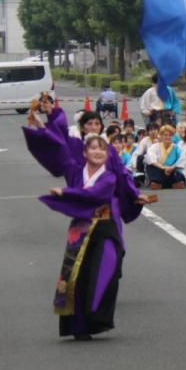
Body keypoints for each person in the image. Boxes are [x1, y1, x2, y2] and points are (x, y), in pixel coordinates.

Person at [23, 107, 152, 339]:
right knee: (76, 277)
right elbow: (60, 148)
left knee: (103, 273)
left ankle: (96, 318)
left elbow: (96, 194)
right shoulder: (74, 171)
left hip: (106, 226)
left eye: (102, 149)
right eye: (93, 148)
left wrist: (65, 193)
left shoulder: (108, 177)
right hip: (80, 228)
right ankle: (78, 326)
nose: (98, 152)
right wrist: (42, 125)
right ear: (84, 153)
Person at [145, 124, 186, 189]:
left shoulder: (176, 148)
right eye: (165, 135)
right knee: (150, 166)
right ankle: (170, 185)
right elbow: (151, 159)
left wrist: (172, 168)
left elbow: (183, 159)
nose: (168, 137)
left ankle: (162, 185)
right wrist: (163, 168)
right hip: (160, 170)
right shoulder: (155, 146)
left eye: (170, 135)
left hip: (171, 171)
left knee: (178, 173)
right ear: (161, 136)